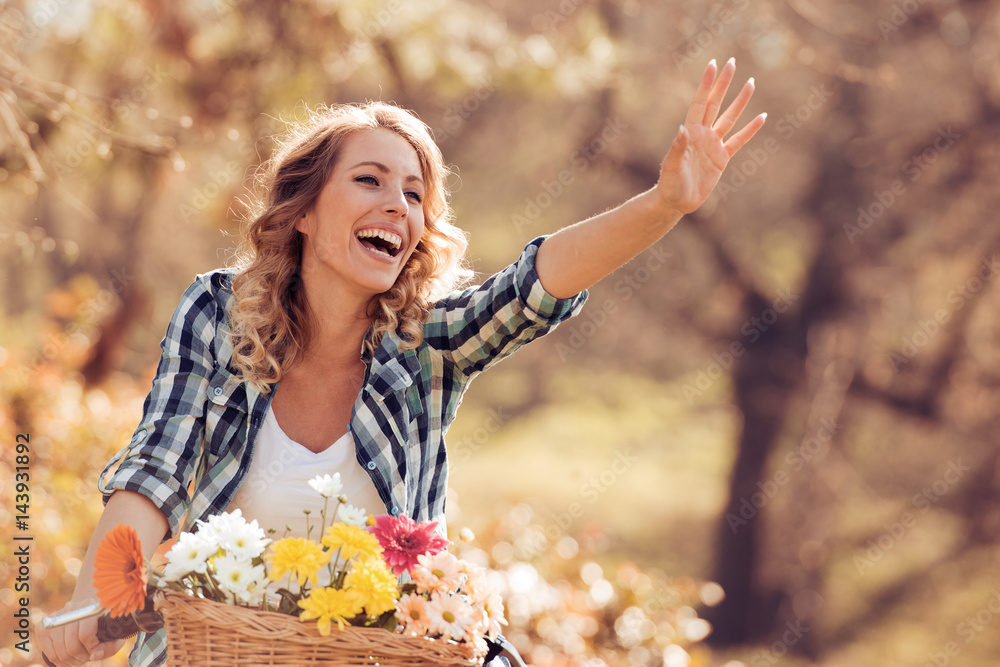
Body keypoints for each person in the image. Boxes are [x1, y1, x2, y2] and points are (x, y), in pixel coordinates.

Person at [37, 57, 764, 666]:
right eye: (371, 181)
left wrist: (665, 204)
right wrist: (89, 608)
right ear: (304, 210)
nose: (399, 206)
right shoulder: (216, 315)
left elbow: (535, 283)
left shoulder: (427, 348)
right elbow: (153, 475)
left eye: (415, 194)